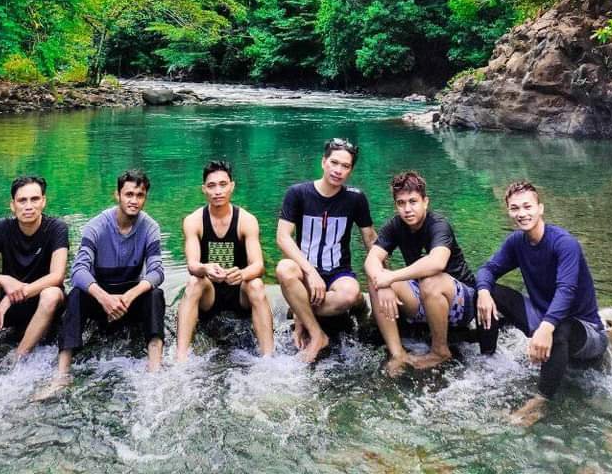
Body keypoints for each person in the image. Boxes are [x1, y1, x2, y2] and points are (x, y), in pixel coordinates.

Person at [476, 180, 608, 426]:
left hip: (586, 331)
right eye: (515, 208)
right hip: (542, 316)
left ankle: (540, 402)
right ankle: (487, 359)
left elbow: (566, 290)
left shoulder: (564, 243)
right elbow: (487, 269)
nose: (522, 214)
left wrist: (546, 327)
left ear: (540, 208)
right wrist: (483, 291)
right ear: (509, 211)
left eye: (527, 206)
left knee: (560, 328)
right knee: (488, 292)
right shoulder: (517, 242)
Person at [52, 168, 165, 386]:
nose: (134, 201)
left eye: (140, 195)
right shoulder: (96, 226)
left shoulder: (150, 227)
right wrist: (104, 298)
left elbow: (157, 271)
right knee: (76, 295)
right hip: (101, 298)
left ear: (145, 198)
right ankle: (62, 373)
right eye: (129, 194)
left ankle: (154, 368)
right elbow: (78, 271)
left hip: (129, 298)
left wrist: (131, 294)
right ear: (117, 195)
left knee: (155, 294)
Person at [364, 170, 475, 374]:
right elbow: (372, 259)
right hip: (423, 297)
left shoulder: (438, 225)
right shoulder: (396, 225)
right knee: (374, 280)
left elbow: (437, 263)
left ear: (425, 201)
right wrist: (383, 283)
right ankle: (397, 353)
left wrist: (391, 277)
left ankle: (440, 350)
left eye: (413, 201)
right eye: (401, 203)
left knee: (431, 280)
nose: (407, 209)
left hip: (460, 301)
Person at [276, 138, 376, 363]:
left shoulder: (355, 198)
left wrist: (385, 278)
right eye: (334, 162)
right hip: (304, 269)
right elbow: (283, 238)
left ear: (351, 170)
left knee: (350, 294)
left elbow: (370, 237)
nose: (338, 170)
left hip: (338, 271)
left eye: (346, 166)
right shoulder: (298, 193)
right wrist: (310, 272)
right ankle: (317, 334)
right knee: (283, 268)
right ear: (323, 162)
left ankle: (301, 312)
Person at [0, 175, 68, 358]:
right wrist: (4, 279)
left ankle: (18, 357)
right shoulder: (1, 228)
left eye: (35, 199)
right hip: (10, 303)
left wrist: (10, 298)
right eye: (22, 200)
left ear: (43, 201)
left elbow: (57, 276)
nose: (29, 206)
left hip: (42, 303)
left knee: (51, 293)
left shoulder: (56, 228)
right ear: (12, 205)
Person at [175, 160, 274, 360]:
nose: (217, 191)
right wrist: (205, 268)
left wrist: (242, 273)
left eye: (223, 184)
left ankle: (268, 356)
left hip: (239, 292)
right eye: (211, 186)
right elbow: (192, 265)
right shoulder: (193, 221)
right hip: (209, 293)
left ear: (232, 186)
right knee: (194, 282)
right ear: (204, 189)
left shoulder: (246, 220)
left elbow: (258, 265)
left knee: (255, 284)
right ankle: (181, 357)